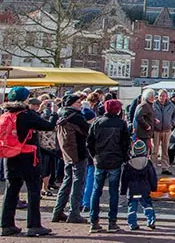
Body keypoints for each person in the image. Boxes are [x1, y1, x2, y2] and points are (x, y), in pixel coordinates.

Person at [0, 87, 55, 237]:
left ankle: (6, 225)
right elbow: (48, 126)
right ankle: (34, 225)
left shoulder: (6, 114)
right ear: (24, 99)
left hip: (10, 155)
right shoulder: (27, 115)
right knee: (33, 189)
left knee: (11, 189)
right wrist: (54, 113)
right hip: (28, 156)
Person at [86, 99, 130, 233]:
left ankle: (94, 221)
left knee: (96, 190)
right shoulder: (121, 124)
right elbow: (125, 143)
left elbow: (89, 142)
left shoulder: (97, 122)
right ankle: (112, 222)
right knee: (113, 192)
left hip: (100, 159)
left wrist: (94, 156)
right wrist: (124, 158)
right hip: (115, 160)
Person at [53, 93, 91, 225]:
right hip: (78, 152)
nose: (80, 104)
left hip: (67, 153)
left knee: (67, 180)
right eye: (78, 102)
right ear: (71, 104)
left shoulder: (62, 114)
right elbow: (89, 130)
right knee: (78, 182)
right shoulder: (76, 116)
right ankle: (74, 213)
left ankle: (58, 211)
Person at [120, 140, 157, 231]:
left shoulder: (129, 164)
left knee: (132, 207)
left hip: (133, 190)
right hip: (144, 188)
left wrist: (123, 190)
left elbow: (124, 179)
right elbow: (152, 176)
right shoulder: (147, 163)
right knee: (147, 205)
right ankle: (151, 221)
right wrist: (154, 187)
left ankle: (132, 224)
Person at [152, 90, 175, 176]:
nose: (162, 97)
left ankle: (165, 167)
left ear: (166, 96)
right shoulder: (154, 105)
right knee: (154, 150)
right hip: (156, 130)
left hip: (167, 130)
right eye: (160, 96)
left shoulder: (171, 105)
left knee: (165, 150)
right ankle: (153, 167)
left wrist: (172, 123)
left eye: (163, 96)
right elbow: (149, 115)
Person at [38, 98, 60, 196]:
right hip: (47, 146)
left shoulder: (39, 117)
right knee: (46, 169)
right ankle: (44, 188)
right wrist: (54, 112)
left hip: (47, 146)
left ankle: (44, 187)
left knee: (47, 169)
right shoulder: (49, 120)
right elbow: (51, 125)